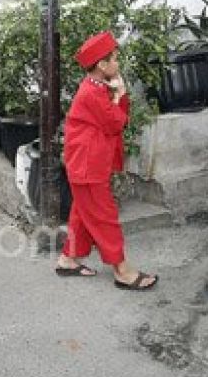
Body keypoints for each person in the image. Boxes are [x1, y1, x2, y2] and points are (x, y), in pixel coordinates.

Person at [55, 31, 158, 290]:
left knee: (82, 211)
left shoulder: (96, 87)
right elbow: (117, 121)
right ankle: (122, 271)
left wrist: (117, 96)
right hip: (87, 165)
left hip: (86, 163)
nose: (118, 63)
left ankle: (68, 259)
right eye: (114, 59)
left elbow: (116, 120)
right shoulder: (93, 92)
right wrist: (120, 93)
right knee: (104, 216)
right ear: (101, 65)